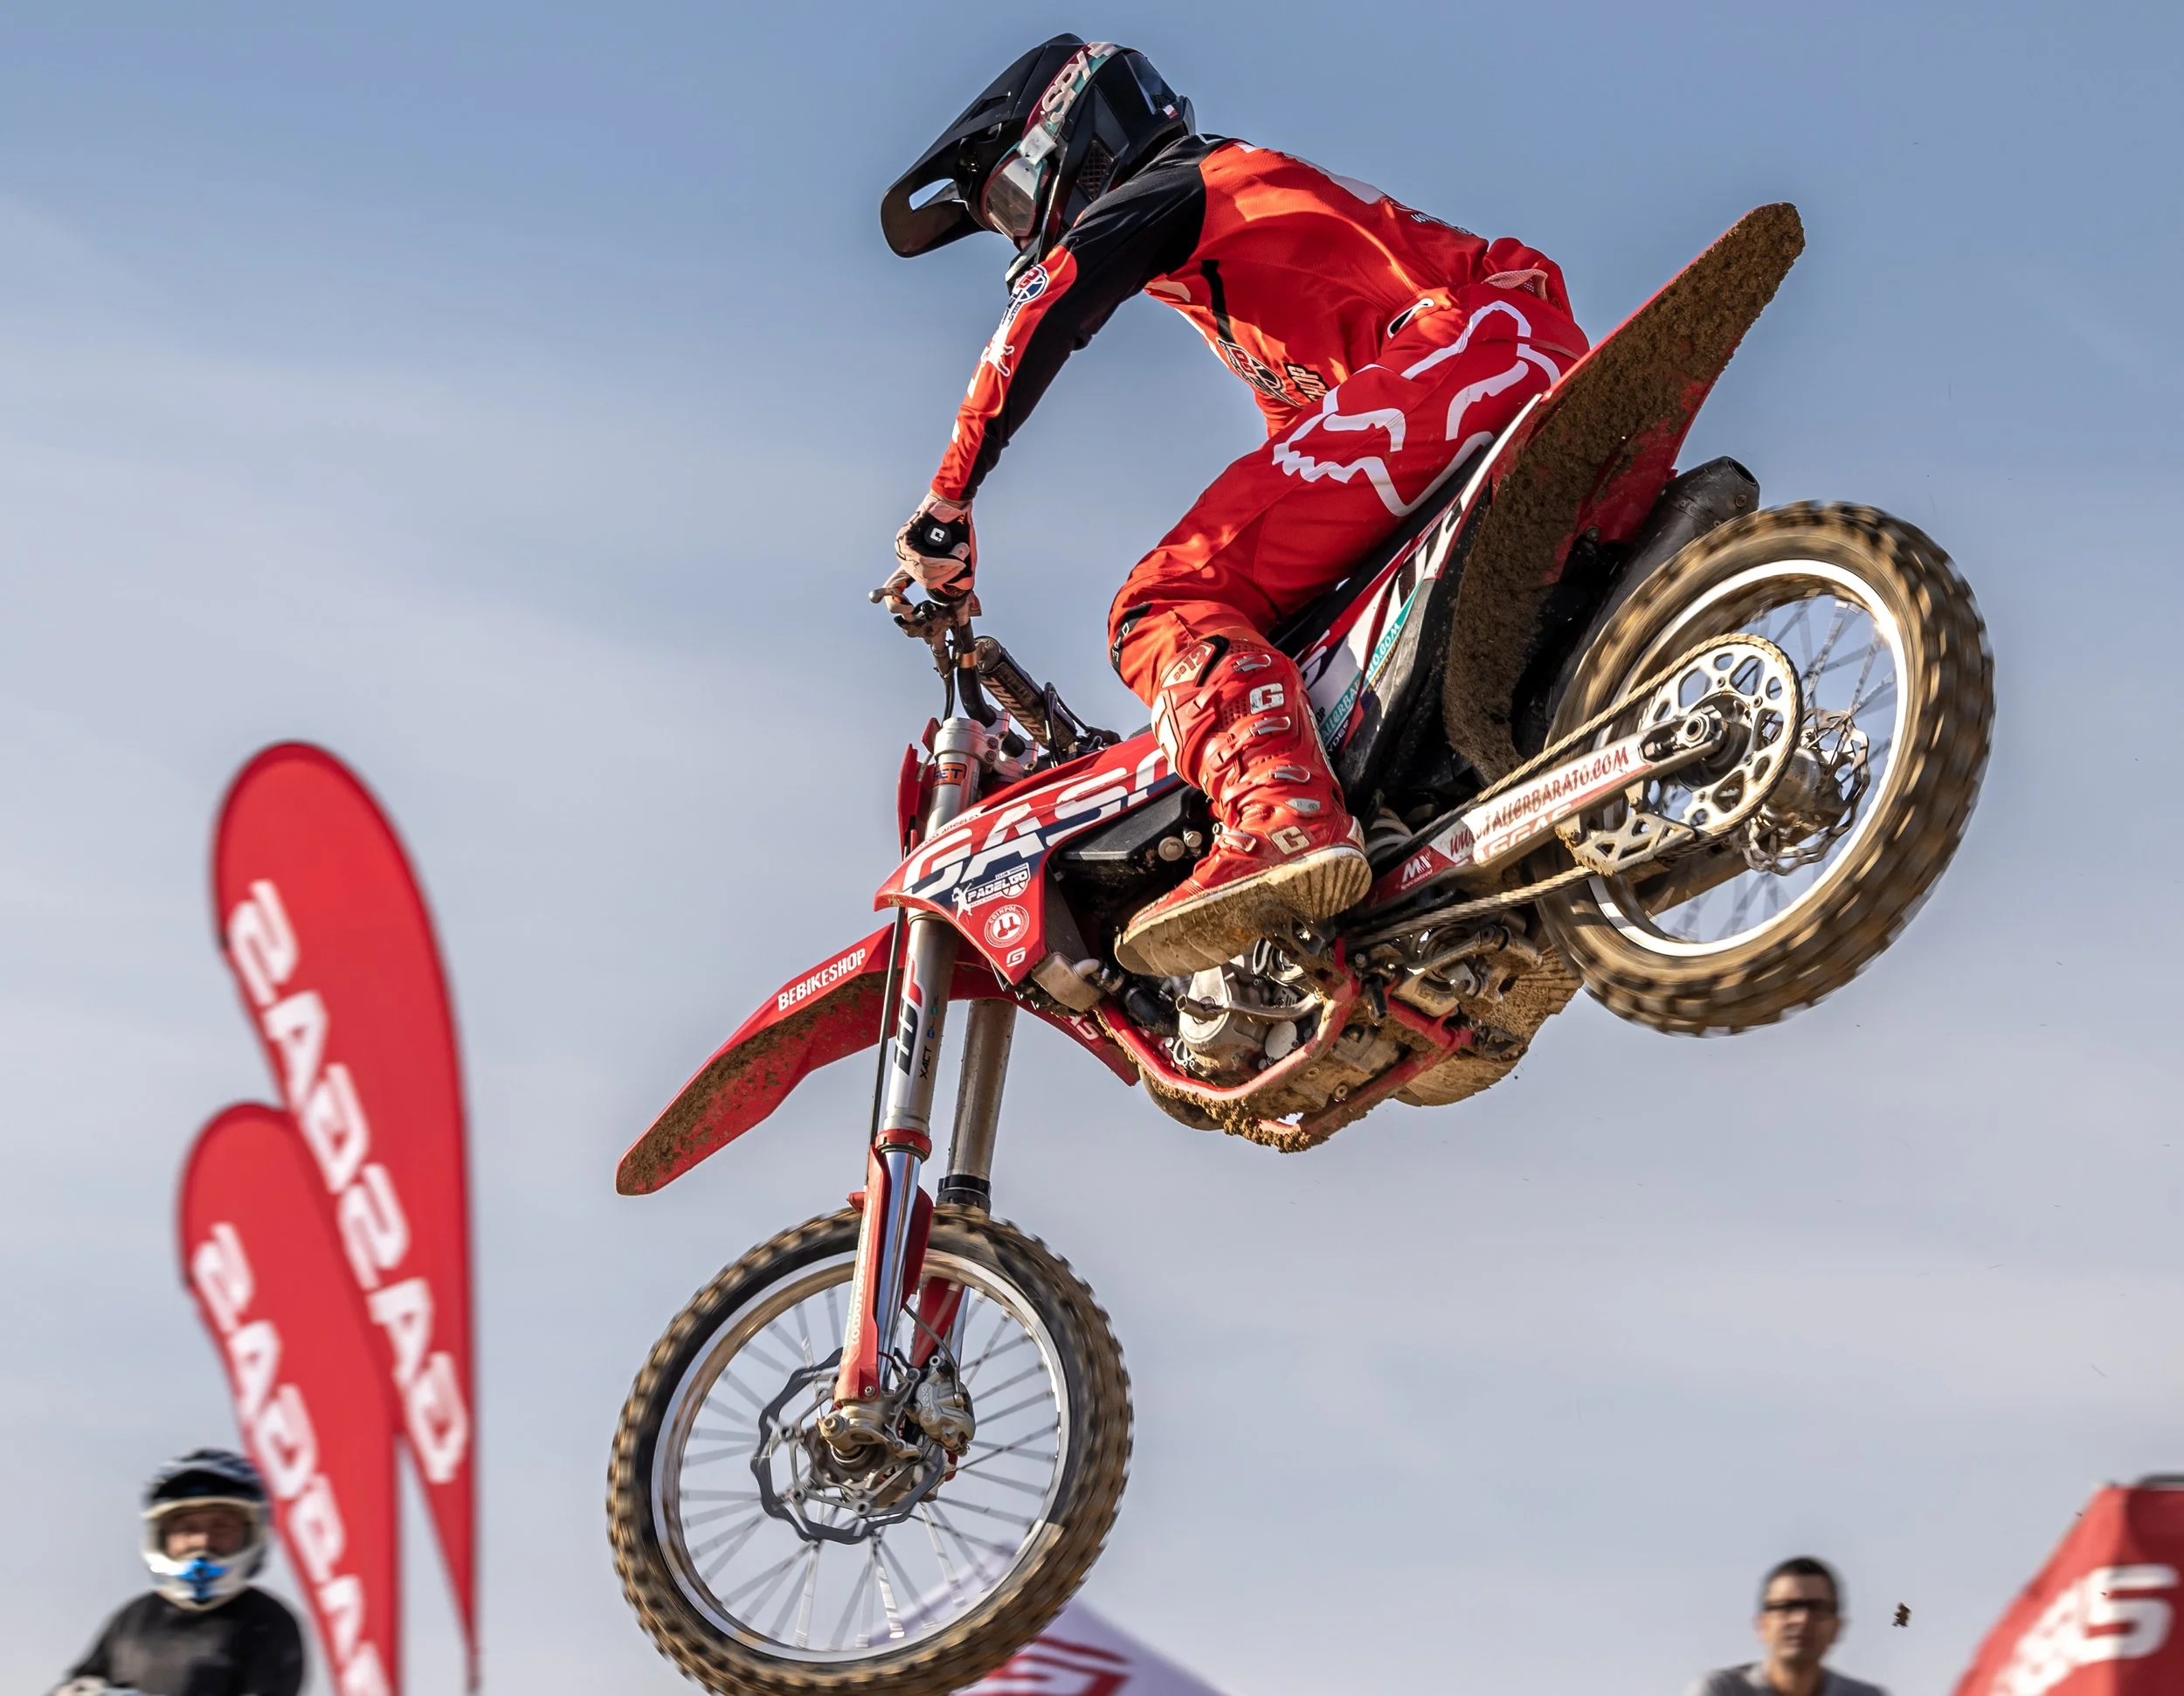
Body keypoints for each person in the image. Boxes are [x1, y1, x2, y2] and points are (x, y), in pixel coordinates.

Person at [881, 34, 1588, 976]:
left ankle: (1283, 814)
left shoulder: (1185, 181)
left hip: (1461, 352)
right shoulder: (1250, 260)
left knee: (1159, 603)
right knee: (1300, 625)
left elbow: (1046, 309)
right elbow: (1299, 458)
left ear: (1072, 137)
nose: (1019, 234)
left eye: (1012, 200)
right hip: (1513, 351)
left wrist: (946, 505)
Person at [52, 1449, 305, 1696]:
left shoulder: (268, 1622)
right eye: (187, 1528)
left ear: (252, 1532)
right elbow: (80, 1682)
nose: (202, 1541)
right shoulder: (134, 1619)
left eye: (221, 1526)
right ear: (161, 1536)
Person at [1690, 1556, 1889, 1696]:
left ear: (1837, 1627)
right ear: (1762, 1625)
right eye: (1786, 1607)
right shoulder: (1721, 1691)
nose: (1801, 1619)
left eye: (1816, 1608)